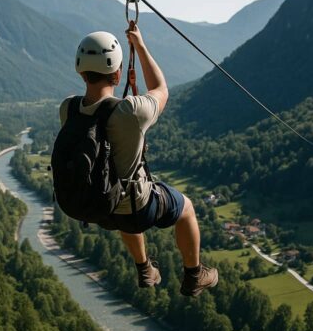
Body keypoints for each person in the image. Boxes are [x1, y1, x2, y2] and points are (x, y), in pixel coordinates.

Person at [59, 26, 218, 296]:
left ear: (81, 71)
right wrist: (140, 47)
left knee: (117, 192)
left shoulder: (68, 108)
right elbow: (160, 89)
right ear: (119, 72)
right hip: (137, 209)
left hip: (98, 208)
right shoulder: (131, 112)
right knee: (186, 208)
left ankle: (144, 268)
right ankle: (194, 275)